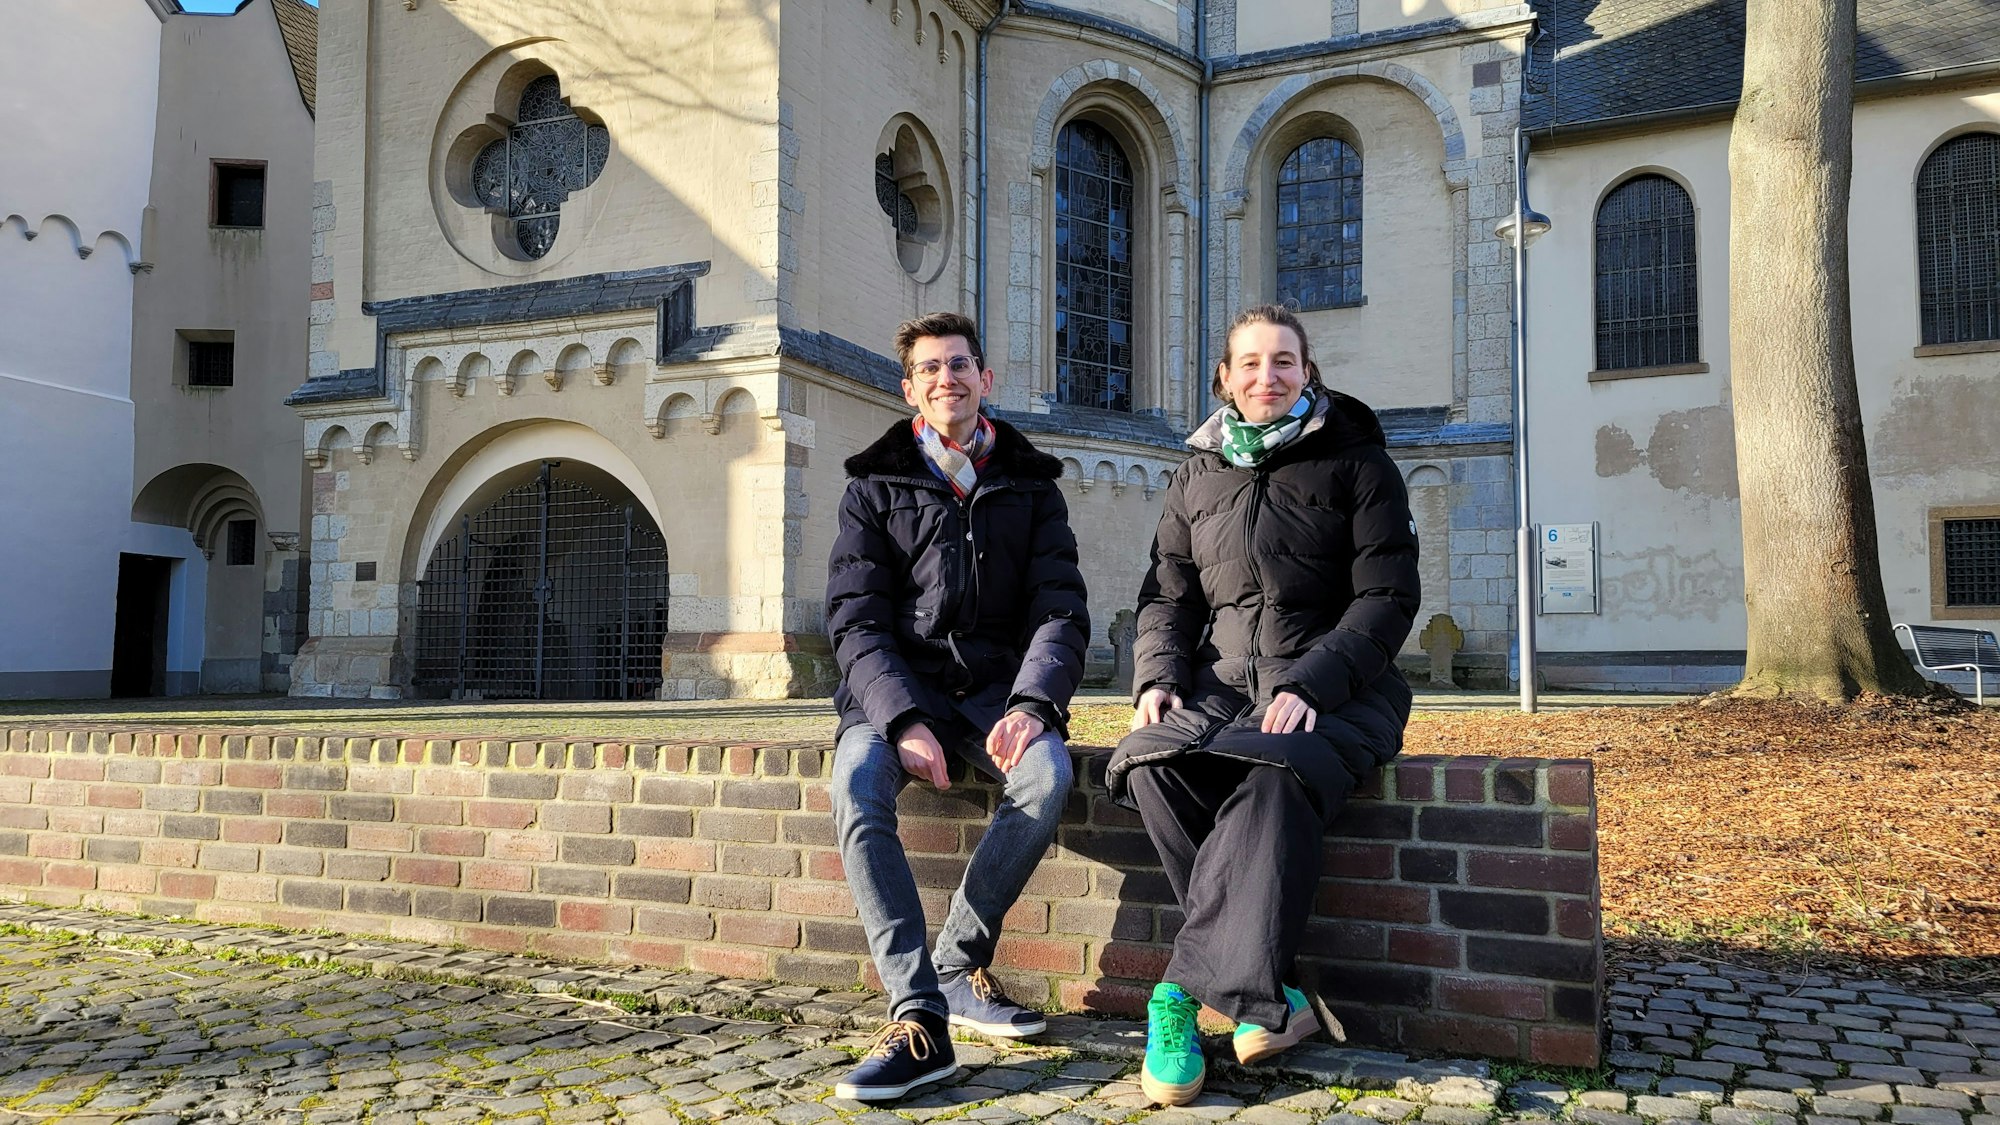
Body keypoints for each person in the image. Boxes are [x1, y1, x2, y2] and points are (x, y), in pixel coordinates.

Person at [1106, 304, 1421, 1106]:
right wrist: (1157, 676)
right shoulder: (1195, 474)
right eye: (1250, 363)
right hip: (1221, 687)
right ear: (1225, 379)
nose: (1266, 377)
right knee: (1147, 763)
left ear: (1308, 372)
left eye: (1284, 362)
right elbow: (1166, 595)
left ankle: (1177, 995)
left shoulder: (1360, 465)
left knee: (1275, 771)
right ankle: (1268, 1000)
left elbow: (1386, 598)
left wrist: (1309, 684)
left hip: (1339, 686)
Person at [825, 311, 1090, 1102]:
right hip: (894, 691)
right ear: (910, 388)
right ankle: (919, 1013)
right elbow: (853, 617)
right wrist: (902, 717)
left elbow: (1059, 608)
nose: (949, 379)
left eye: (961, 365)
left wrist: (1035, 702)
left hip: (993, 694)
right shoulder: (873, 484)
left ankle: (958, 960)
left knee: (1046, 777)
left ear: (985, 379)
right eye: (931, 369)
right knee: (856, 788)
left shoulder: (1031, 484)